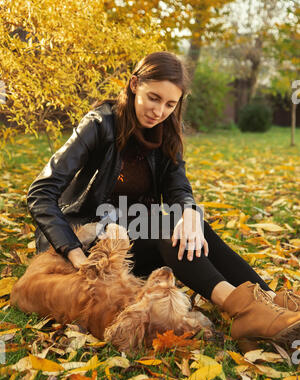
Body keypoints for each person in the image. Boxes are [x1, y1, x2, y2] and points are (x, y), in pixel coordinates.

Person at [27, 51, 300, 352]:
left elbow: (178, 186)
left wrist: (191, 211)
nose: (159, 111)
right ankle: (243, 310)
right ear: (134, 85)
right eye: (153, 98)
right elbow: (41, 192)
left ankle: (272, 302)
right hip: (90, 242)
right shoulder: (100, 124)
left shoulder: (167, 132)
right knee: (164, 222)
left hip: (137, 238)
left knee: (189, 226)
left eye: (170, 104)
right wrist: (77, 254)